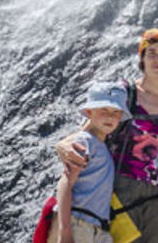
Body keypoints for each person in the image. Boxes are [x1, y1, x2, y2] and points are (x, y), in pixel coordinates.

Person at [57, 28, 158, 243]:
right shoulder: (125, 93)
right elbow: (90, 129)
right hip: (122, 192)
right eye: (152, 53)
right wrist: (63, 144)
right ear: (141, 57)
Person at [52, 82, 131, 243]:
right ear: (89, 112)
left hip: (98, 229)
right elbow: (65, 182)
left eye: (116, 112)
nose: (110, 117)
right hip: (79, 224)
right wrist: (65, 229)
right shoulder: (84, 141)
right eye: (104, 110)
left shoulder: (103, 146)